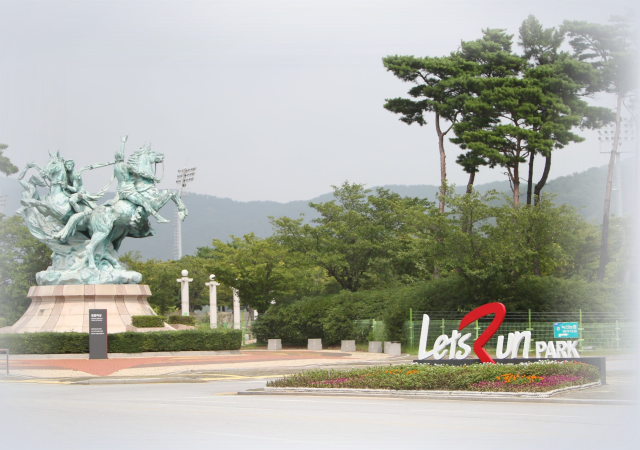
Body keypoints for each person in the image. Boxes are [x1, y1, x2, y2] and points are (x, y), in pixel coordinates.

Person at [111, 135, 169, 223]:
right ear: (122, 156)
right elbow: (140, 173)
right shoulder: (126, 166)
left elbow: (121, 153)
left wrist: (123, 142)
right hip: (128, 191)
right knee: (144, 202)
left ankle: (138, 214)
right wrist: (153, 177)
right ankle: (158, 217)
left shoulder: (116, 167)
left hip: (119, 191)